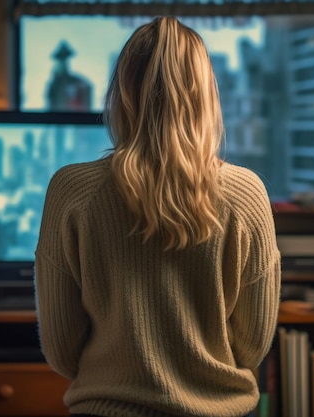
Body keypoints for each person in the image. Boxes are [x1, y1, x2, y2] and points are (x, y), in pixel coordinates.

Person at [34, 16, 281, 417]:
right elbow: (252, 345)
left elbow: (62, 350)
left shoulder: (73, 191)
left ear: (122, 93)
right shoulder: (245, 193)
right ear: (206, 96)